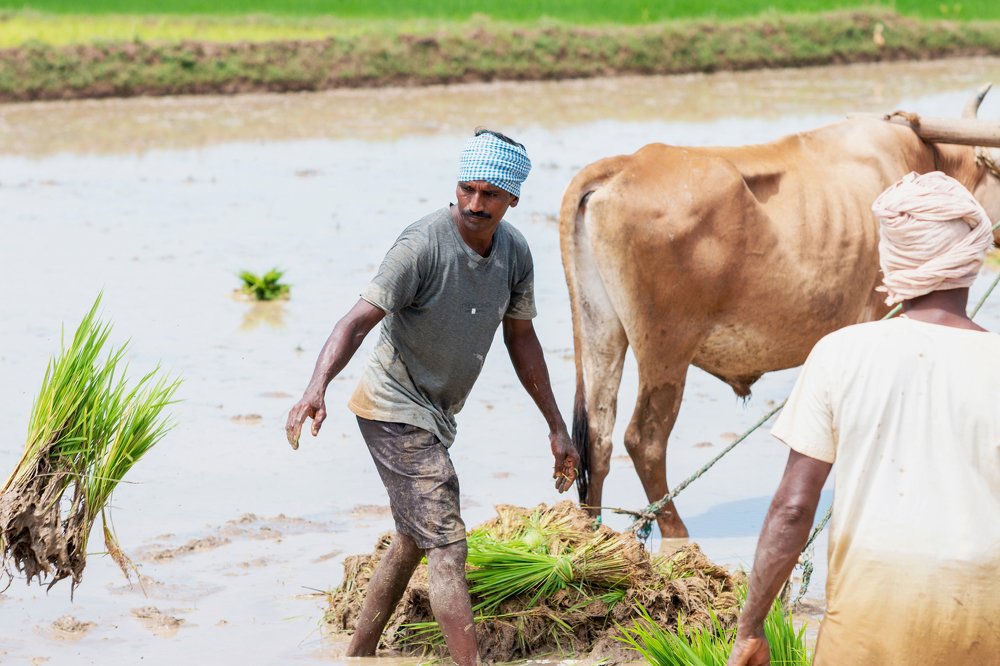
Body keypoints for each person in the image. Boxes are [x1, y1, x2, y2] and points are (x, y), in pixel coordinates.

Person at [285, 128, 579, 666]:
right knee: (447, 542)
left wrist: (557, 427)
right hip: (392, 405)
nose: (474, 204)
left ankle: (359, 653)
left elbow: (522, 338)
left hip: (436, 412)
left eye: (490, 194)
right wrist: (316, 386)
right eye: (467, 189)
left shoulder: (514, 253)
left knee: (412, 537)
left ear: (512, 198)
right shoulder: (422, 244)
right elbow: (356, 322)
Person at [728, 171, 1000, 665]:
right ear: (974, 258)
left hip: (869, 618)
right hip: (984, 616)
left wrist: (751, 627)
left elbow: (792, 507)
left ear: (891, 259)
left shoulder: (841, 353)